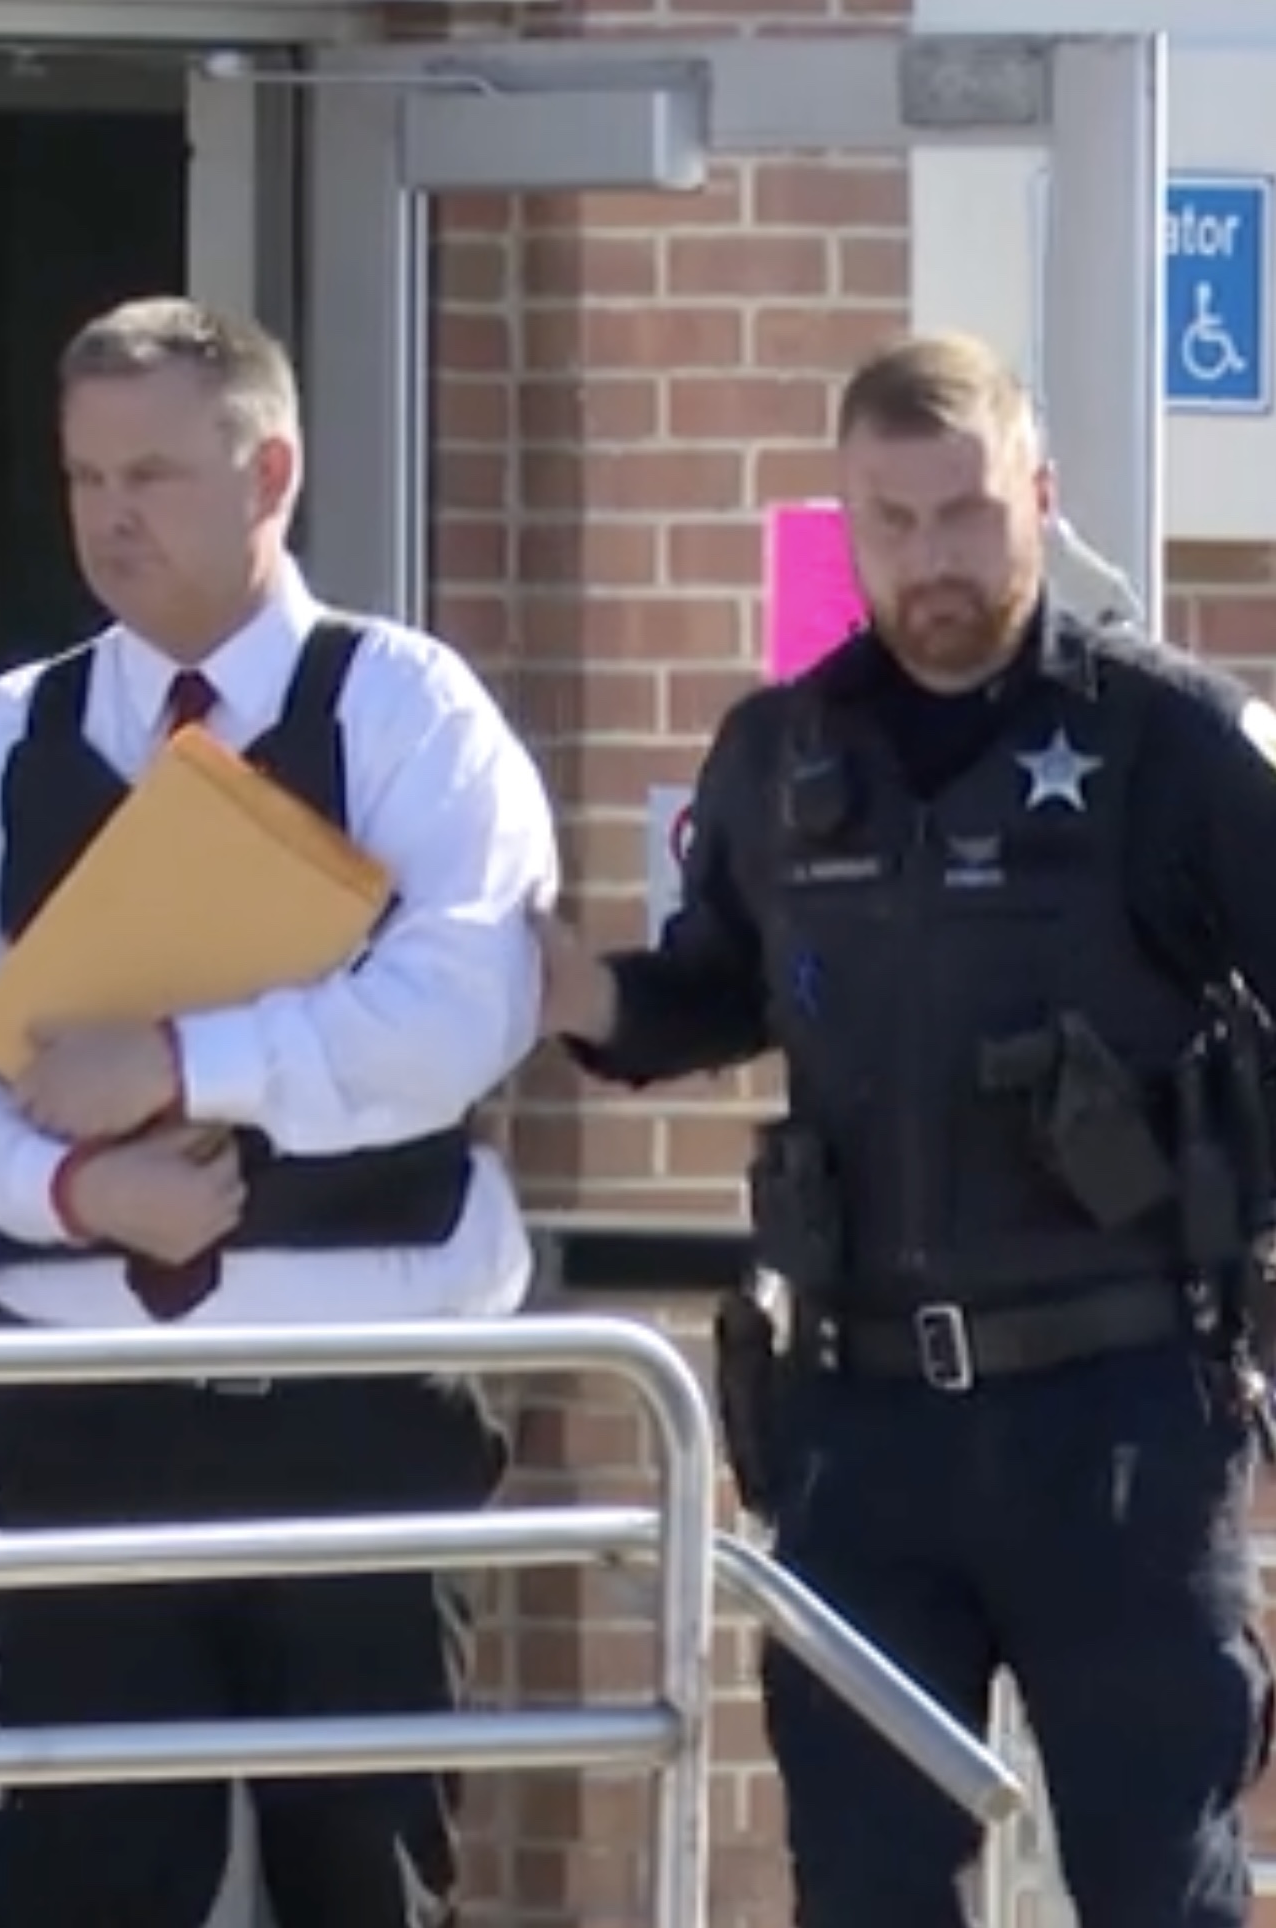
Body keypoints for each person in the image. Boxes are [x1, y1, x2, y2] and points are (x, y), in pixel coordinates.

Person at [538, 332, 1276, 1928]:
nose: (931, 557)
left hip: (1117, 1415)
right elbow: (714, 989)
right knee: (866, 1889)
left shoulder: (1173, 744)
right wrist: (584, 995)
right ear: (847, 522)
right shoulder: (781, 752)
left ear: (1039, 498)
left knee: (1158, 1888)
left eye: (965, 513)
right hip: (861, 1422)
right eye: (891, 520)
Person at [0, 295, 555, 1928]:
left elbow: (466, 1009)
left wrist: (184, 1064)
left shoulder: (403, 707)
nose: (109, 515)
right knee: (87, 1885)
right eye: (83, 477)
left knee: (362, 1882)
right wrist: (67, 1190)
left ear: (269, 476)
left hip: (355, 1415)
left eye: (153, 476)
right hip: (87, 1417)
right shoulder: (14, 731)